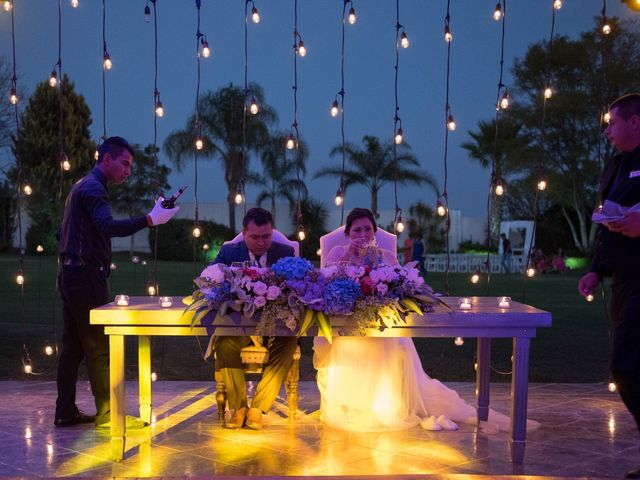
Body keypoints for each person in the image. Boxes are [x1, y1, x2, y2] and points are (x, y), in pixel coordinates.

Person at [314, 208, 516, 432]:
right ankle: (349, 403)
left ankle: (385, 405)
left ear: (374, 231)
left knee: (387, 342)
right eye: (357, 230)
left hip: (379, 322)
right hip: (347, 323)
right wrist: (349, 255)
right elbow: (327, 282)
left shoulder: (385, 256)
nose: (362, 234)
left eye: (367, 229)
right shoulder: (336, 253)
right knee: (349, 343)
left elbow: (396, 288)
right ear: (348, 233)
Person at [55, 136, 179, 428]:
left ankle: (65, 411)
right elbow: (107, 227)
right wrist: (150, 219)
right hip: (85, 276)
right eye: (125, 164)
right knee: (98, 346)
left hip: (71, 274)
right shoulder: (94, 188)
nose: (128, 171)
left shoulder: (81, 185)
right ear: (105, 159)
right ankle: (110, 416)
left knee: (73, 347)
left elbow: (68, 233)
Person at [578, 93, 640, 479]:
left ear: (635, 122)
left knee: (627, 364)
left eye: (613, 123)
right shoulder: (615, 167)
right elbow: (607, 222)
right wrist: (595, 270)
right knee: (629, 367)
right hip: (622, 278)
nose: (607, 131)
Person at [212, 207, 298, 430]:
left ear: (273, 232)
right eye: (255, 237)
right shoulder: (230, 253)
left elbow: (299, 285)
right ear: (244, 233)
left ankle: (257, 408)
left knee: (288, 343)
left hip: (276, 324)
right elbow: (210, 277)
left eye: (266, 236)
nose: (261, 242)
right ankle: (239, 407)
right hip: (240, 325)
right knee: (224, 342)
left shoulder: (285, 252)